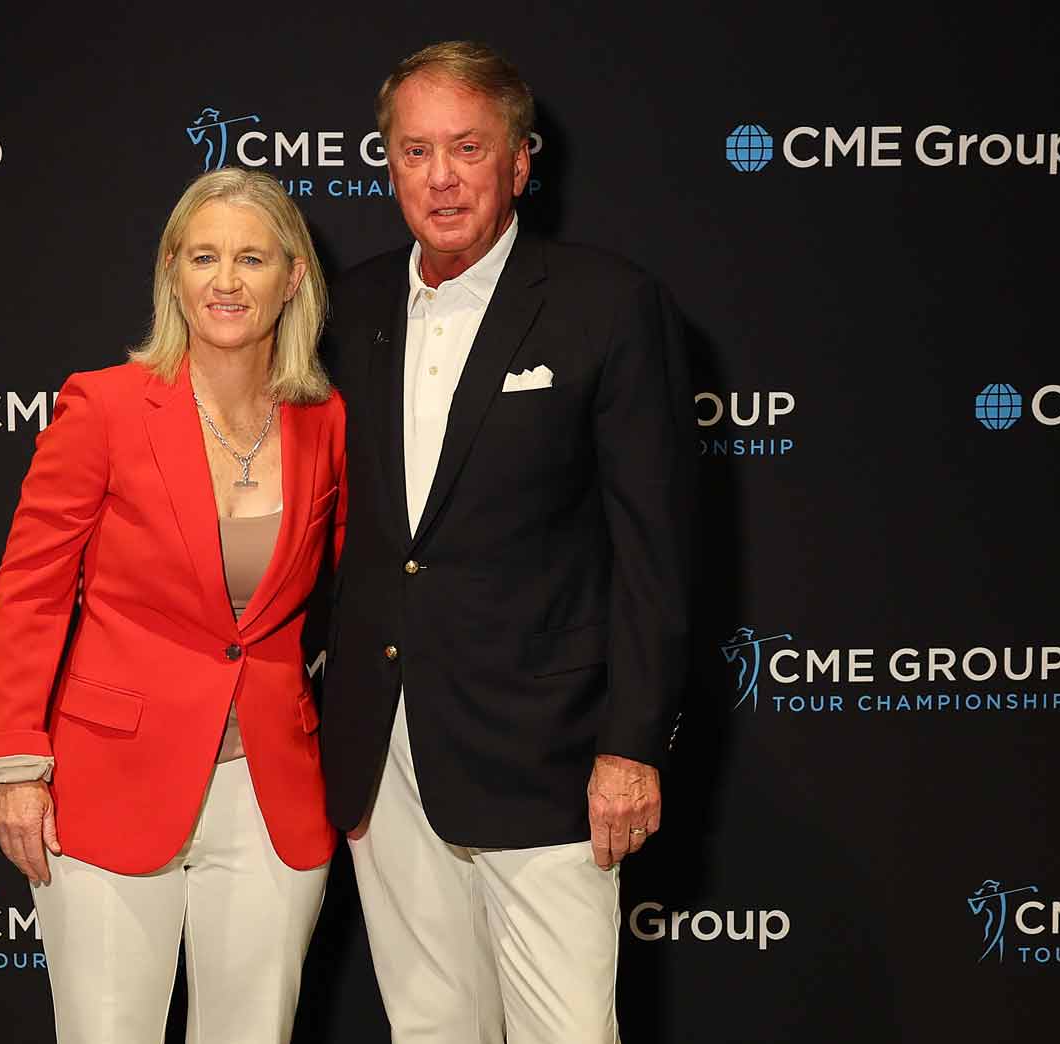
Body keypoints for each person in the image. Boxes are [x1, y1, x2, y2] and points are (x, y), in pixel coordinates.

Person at [318, 41, 692, 1042]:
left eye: (467, 148)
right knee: (430, 1028)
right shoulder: (340, 312)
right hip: (382, 750)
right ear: (387, 162)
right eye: (414, 150)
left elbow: (654, 550)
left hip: (550, 753)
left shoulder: (606, 305)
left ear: (520, 161)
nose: (440, 178)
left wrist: (630, 747)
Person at [0, 167, 346, 1043]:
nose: (226, 281)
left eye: (251, 258)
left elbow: (362, 591)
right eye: (203, 256)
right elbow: (30, 589)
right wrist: (17, 764)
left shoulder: (323, 420)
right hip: (109, 785)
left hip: (271, 792)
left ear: (292, 278)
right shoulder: (103, 406)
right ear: (172, 273)